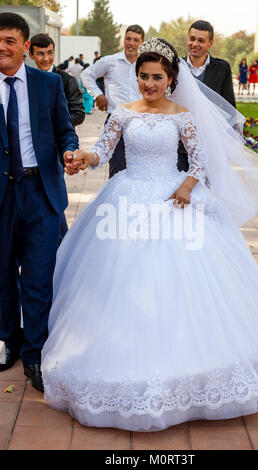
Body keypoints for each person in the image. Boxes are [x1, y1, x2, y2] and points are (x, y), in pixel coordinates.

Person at [41, 38, 258, 432]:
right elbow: (104, 154)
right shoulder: (123, 113)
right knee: (120, 279)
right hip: (127, 197)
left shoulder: (183, 116)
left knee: (184, 280)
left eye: (156, 77)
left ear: (171, 79)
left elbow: (199, 160)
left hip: (173, 198)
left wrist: (187, 186)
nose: (148, 83)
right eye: (143, 76)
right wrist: (83, 158)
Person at [0, 13, 78, 391]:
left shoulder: (48, 84)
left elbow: (66, 130)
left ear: (26, 46)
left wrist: (69, 152)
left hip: (41, 191)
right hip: (1, 195)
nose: (2, 47)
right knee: (1, 275)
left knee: (38, 276)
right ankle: (7, 343)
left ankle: (35, 353)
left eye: (10, 40)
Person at [29, 33, 85, 243]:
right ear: (31, 54)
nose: (46, 58)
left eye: (50, 53)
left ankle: (61, 245)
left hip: (55, 151)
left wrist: (48, 126)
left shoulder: (66, 80)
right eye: (40, 54)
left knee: (52, 200)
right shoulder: (26, 80)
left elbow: (78, 113)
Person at [81, 24, 144, 178]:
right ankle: (117, 201)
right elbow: (87, 74)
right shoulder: (110, 61)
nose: (131, 43)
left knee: (140, 171)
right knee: (118, 170)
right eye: (128, 38)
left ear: (142, 43)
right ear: (124, 40)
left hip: (142, 122)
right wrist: (98, 95)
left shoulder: (147, 64)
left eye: (136, 40)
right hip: (116, 122)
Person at [178, 20, 236, 172]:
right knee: (179, 190)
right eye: (192, 39)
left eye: (201, 40)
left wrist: (226, 142)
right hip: (179, 145)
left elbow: (229, 105)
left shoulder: (222, 68)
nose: (195, 44)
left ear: (210, 43)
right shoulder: (176, 66)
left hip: (210, 143)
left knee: (207, 191)